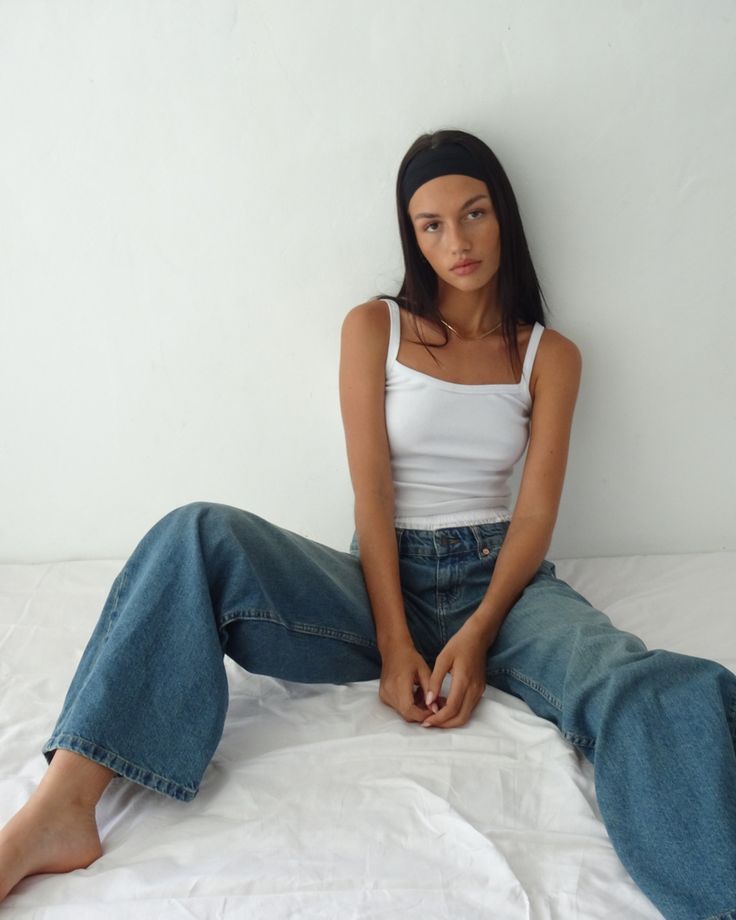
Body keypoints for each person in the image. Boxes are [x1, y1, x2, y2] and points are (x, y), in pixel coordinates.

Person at [1, 128, 734, 920]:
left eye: (475, 213)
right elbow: (372, 496)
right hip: (380, 575)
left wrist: (480, 632)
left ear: (503, 217)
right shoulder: (372, 328)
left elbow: (535, 515)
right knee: (195, 533)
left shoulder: (548, 354)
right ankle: (59, 809)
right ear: (411, 236)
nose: (457, 241)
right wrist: (394, 644)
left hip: (507, 586)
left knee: (652, 687)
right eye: (432, 224)